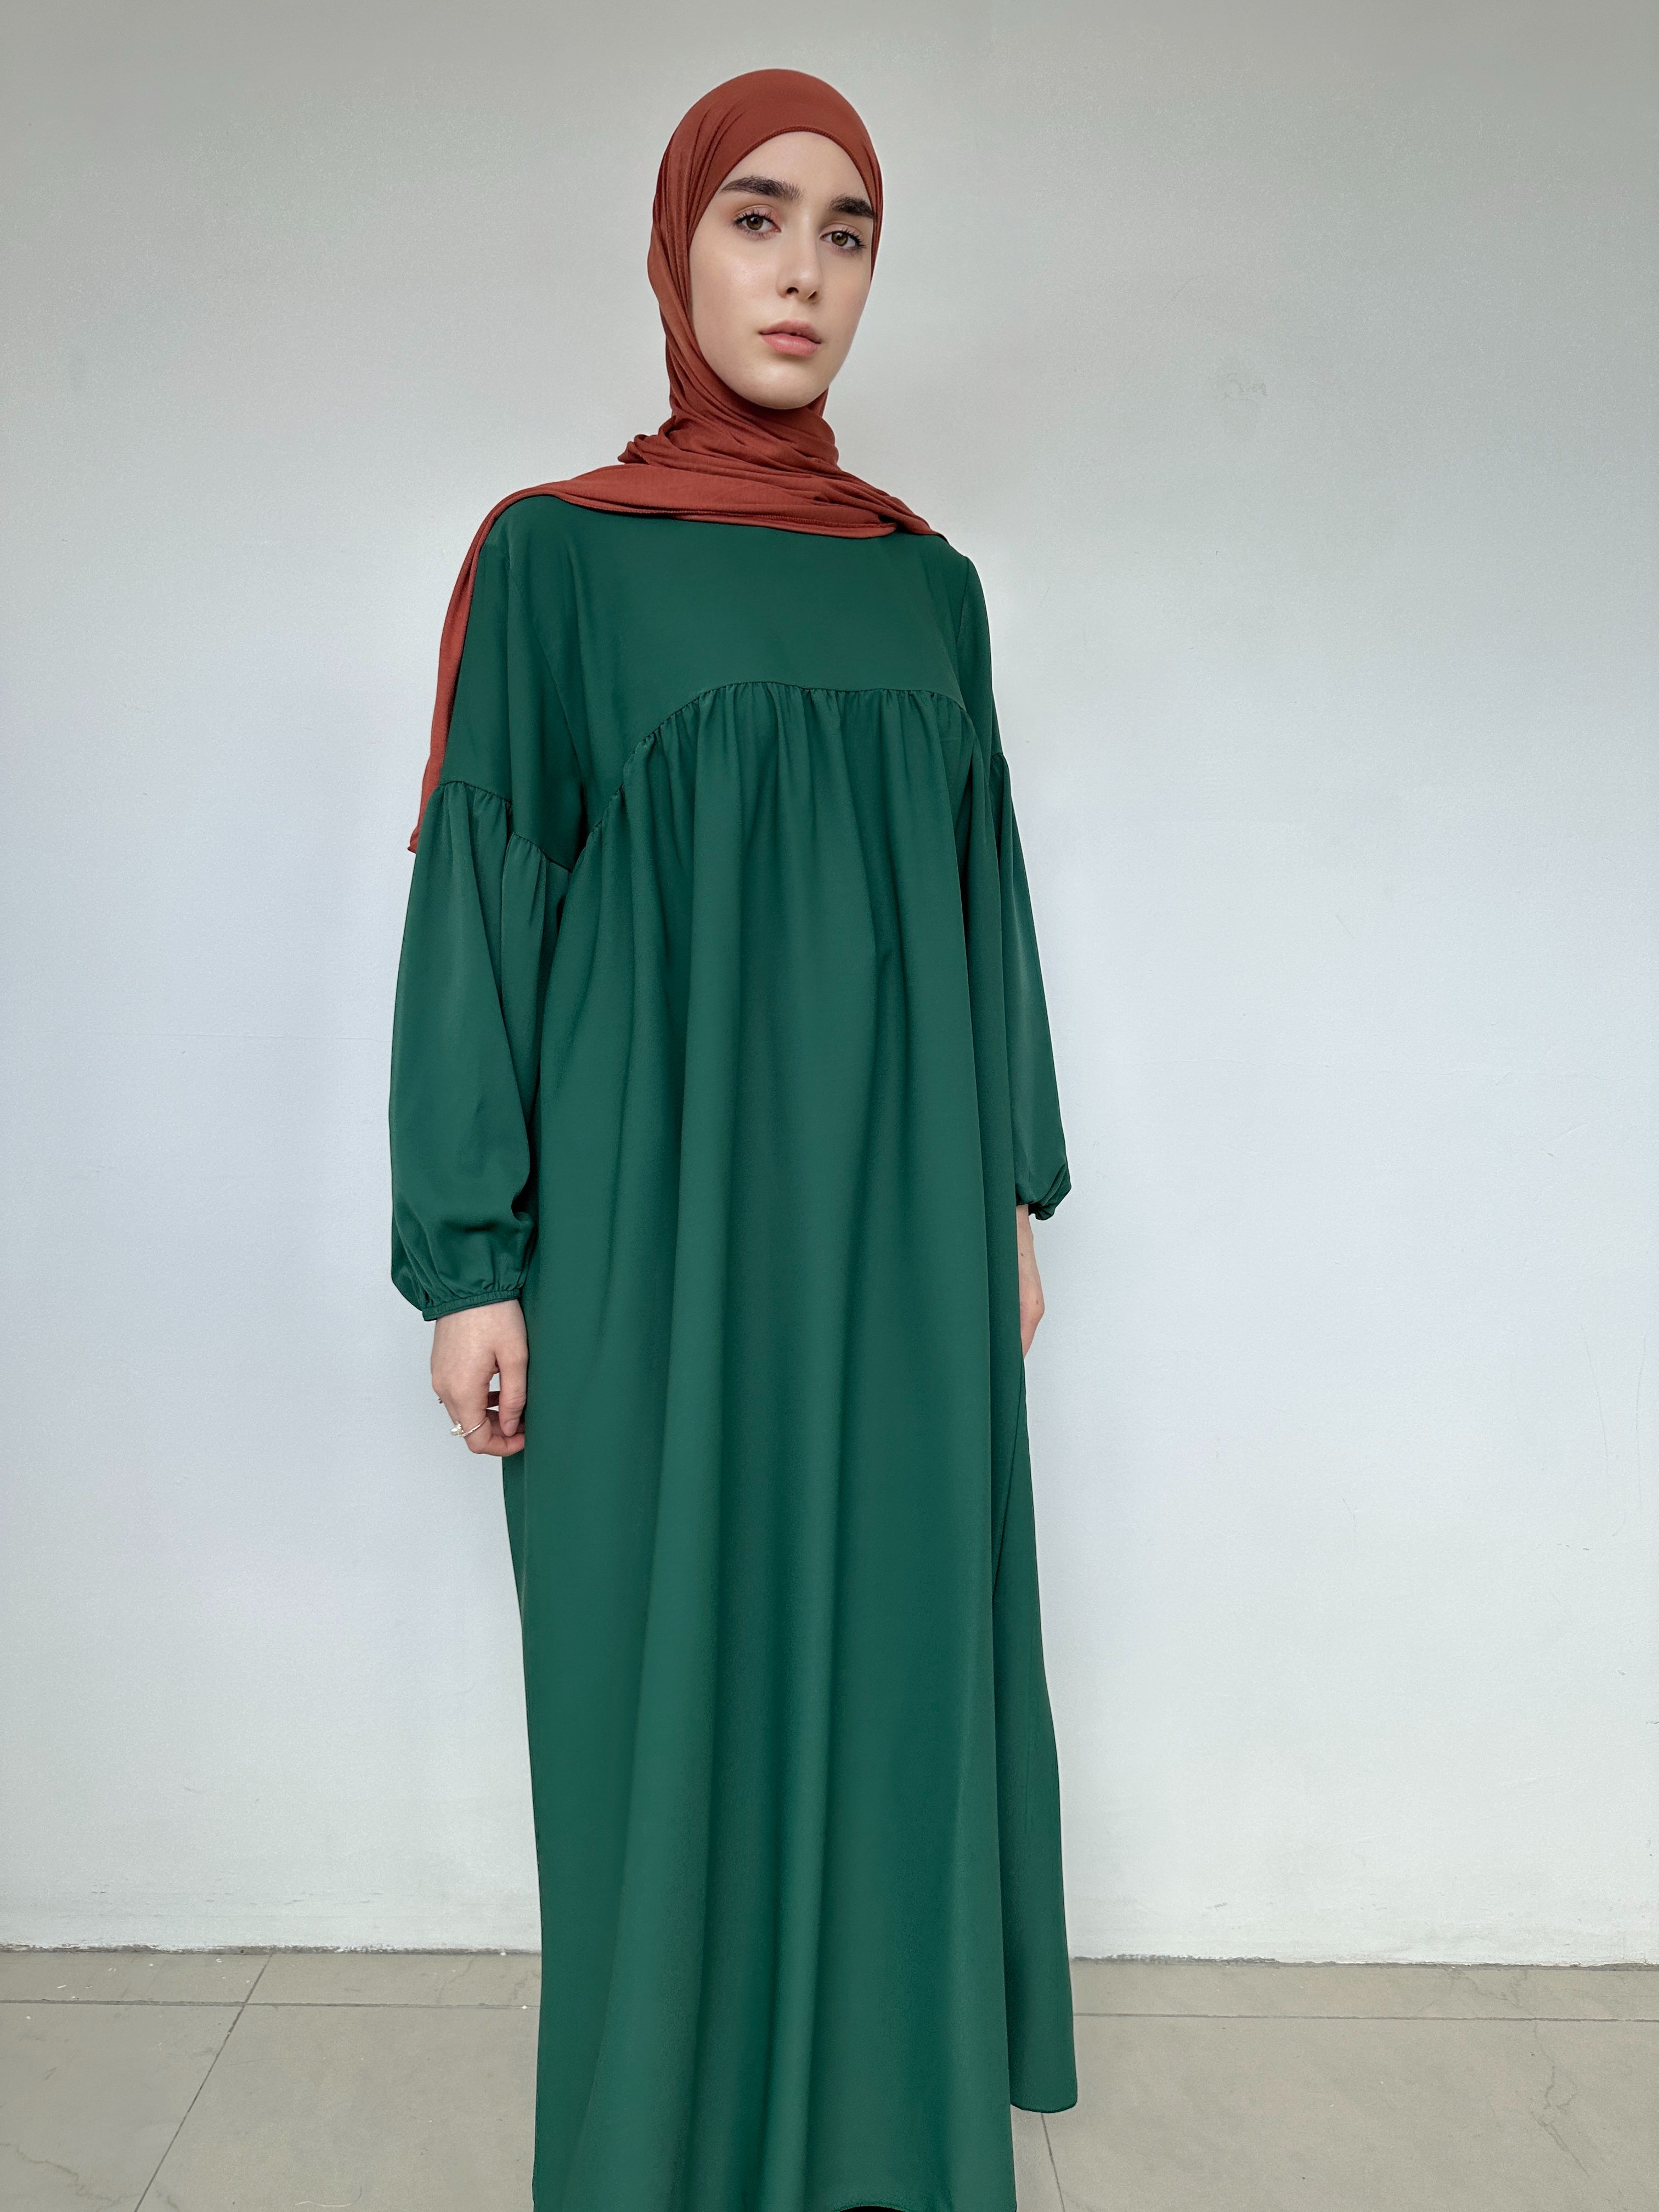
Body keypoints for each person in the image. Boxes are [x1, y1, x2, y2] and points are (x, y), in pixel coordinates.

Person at [387, 66, 1076, 2212]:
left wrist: (1013, 1187)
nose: (804, 272)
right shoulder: (558, 560)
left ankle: (873, 2146)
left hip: (899, 1238)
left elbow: (982, 893)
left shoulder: (928, 588)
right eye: (759, 218)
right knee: (653, 1695)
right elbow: (484, 893)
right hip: (649, 1240)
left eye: (846, 231)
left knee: (889, 1681)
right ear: (678, 247)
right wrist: (470, 1257)